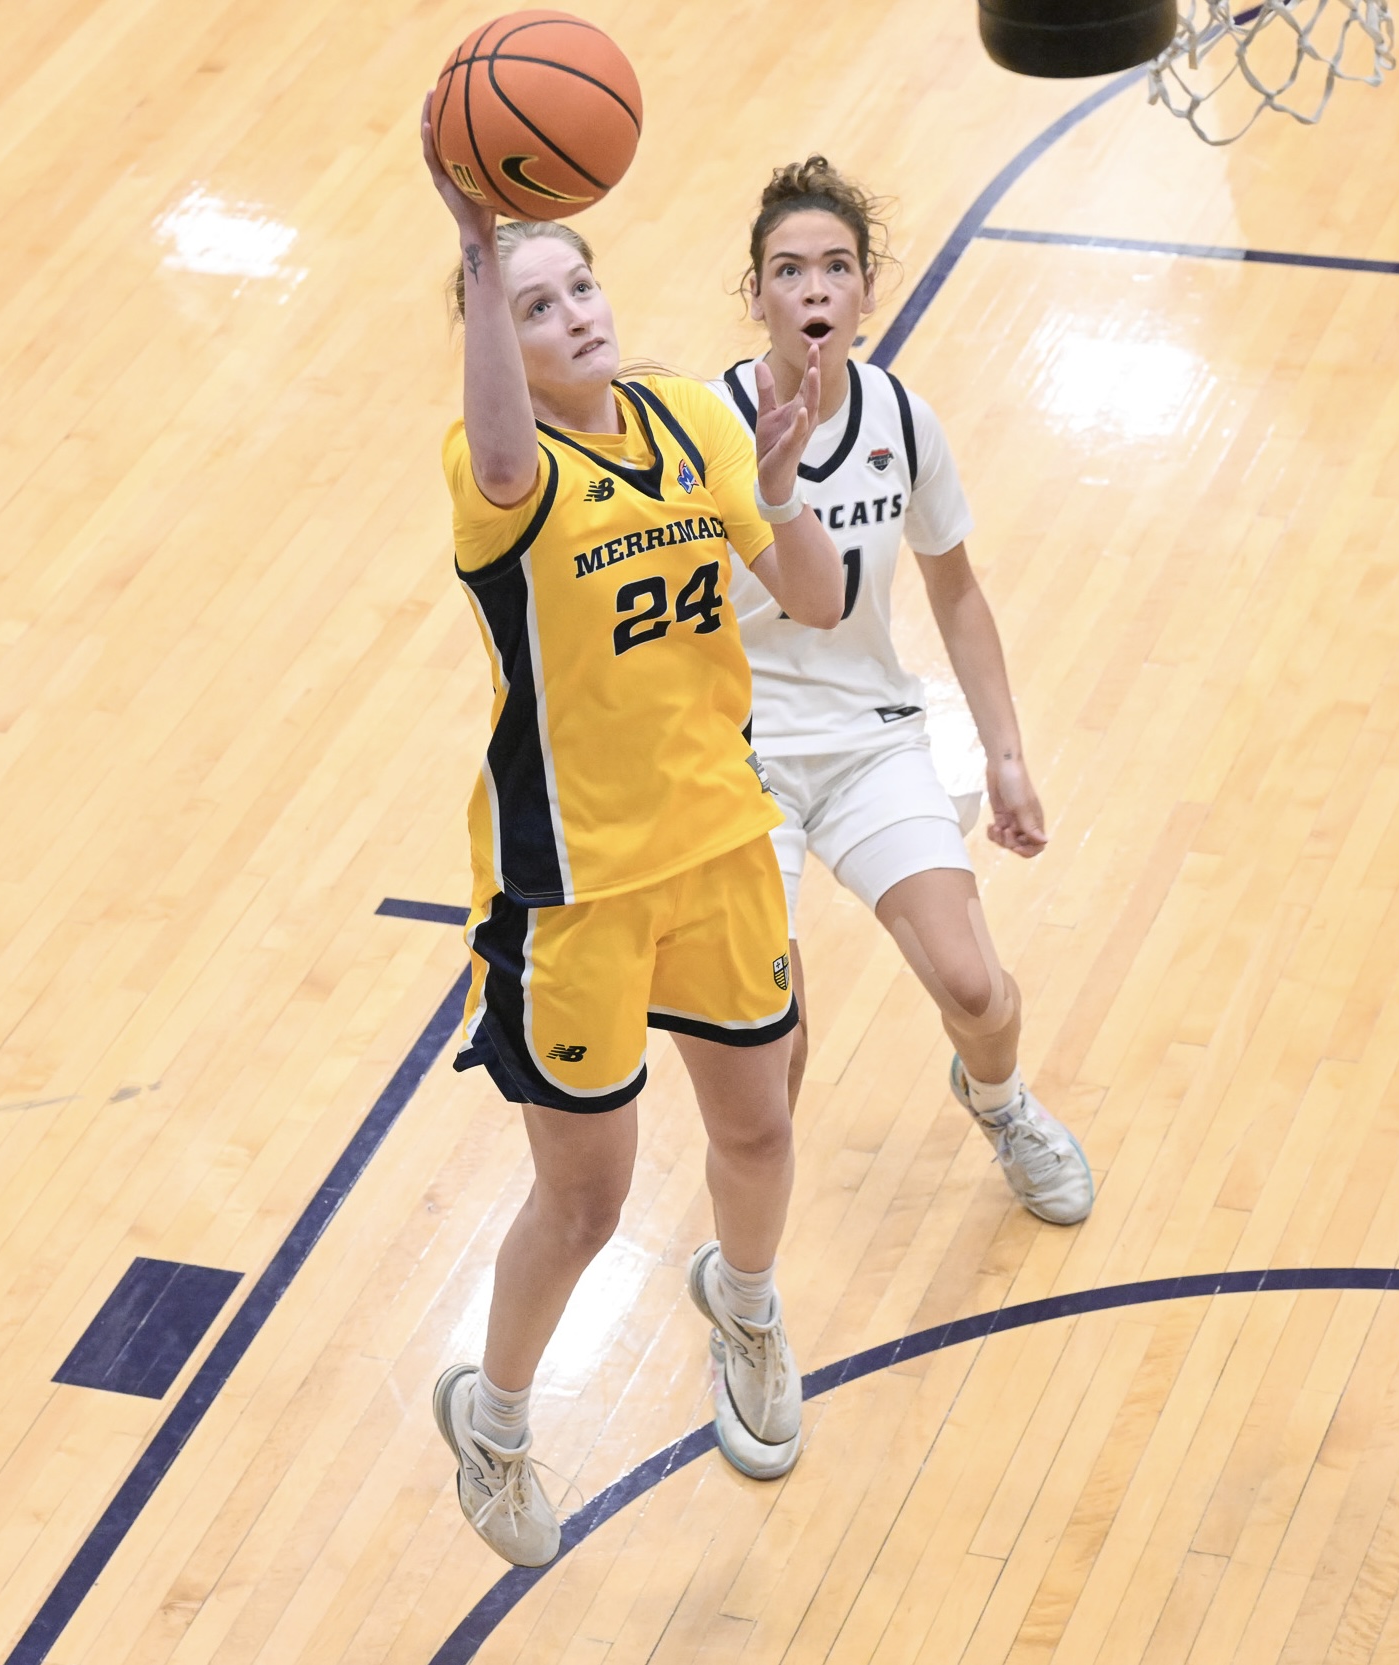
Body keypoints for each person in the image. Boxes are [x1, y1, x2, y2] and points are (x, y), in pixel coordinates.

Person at [420, 104, 848, 1567]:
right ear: (498, 340)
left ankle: (743, 1300)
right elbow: (490, 436)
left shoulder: (687, 418)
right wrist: (476, 247)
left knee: (760, 1119)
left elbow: (820, 600)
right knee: (586, 1199)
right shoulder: (501, 482)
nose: (573, 316)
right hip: (574, 889)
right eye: (532, 307)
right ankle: (495, 1409)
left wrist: (782, 489)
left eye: (580, 286)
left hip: (718, 841)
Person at [712, 157, 1095, 1227]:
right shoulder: (703, 429)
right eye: (789, 270)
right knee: (772, 1045)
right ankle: (751, 1292)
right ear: (757, 298)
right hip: (732, 763)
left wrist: (1006, 755)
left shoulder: (902, 420)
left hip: (870, 741)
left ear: (868, 291)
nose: (816, 289)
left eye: (837, 267)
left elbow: (957, 592)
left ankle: (1000, 1100)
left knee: (973, 987)